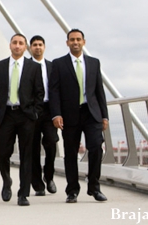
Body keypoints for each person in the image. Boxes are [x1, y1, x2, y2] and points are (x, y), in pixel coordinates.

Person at [0, 33, 44, 207]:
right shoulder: (0, 66)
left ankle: (23, 194)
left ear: (25, 47)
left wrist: (35, 113)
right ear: (10, 46)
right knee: (2, 153)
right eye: (14, 43)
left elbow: (39, 93)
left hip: (26, 116)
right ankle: (6, 180)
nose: (17, 46)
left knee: (27, 155)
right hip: (7, 115)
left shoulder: (34, 67)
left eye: (21, 43)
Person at [49, 29, 109, 203]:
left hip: (92, 113)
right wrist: (56, 114)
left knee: (96, 147)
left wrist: (104, 116)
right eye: (72, 40)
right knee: (70, 153)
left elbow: (99, 91)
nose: (75, 42)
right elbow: (54, 91)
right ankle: (72, 190)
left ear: (84, 42)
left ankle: (94, 187)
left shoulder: (94, 63)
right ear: (67, 43)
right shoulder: (58, 64)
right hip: (69, 115)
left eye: (78, 39)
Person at [29, 35, 59, 196]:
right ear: (30, 48)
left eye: (40, 45)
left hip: (49, 111)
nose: (37, 47)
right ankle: (37, 184)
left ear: (44, 47)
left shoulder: (52, 66)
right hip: (32, 111)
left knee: (51, 143)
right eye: (34, 45)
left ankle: (49, 176)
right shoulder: (25, 67)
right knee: (33, 148)